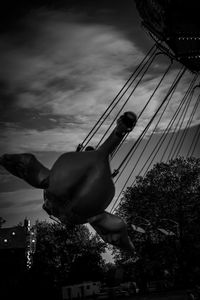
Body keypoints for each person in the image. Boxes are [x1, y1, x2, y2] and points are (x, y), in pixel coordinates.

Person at [0, 111, 137, 252]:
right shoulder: (81, 183)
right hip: (83, 203)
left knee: (32, 167)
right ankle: (120, 131)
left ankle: (119, 131)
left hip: (72, 195)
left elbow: (31, 169)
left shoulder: (55, 184)